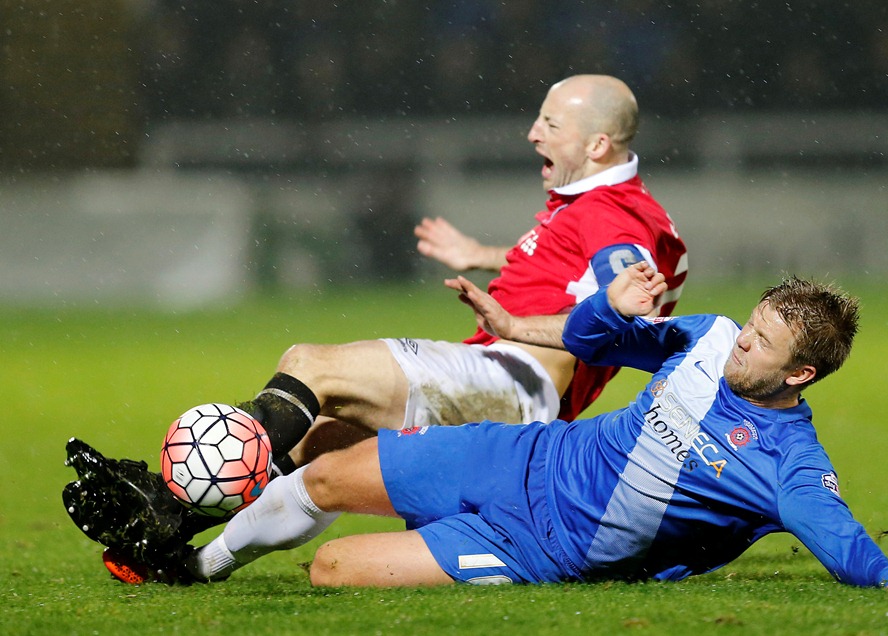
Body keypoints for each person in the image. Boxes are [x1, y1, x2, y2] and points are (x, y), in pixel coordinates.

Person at [63, 73, 687, 568]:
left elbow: (627, 299)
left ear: (598, 144)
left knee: (309, 366)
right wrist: (490, 255)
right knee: (318, 447)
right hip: (519, 398)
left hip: (514, 381)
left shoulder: (611, 215)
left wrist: (518, 323)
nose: (532, 133)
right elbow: (585, 270)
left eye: (549, 123)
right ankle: (186, 560)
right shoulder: (605, 203)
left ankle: (167, 506)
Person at [133, 263, 888, 591]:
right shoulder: (713, 336)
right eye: (752, 322)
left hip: (541, 546)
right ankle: (195, 565)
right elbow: (602, 343)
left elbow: (829, 527)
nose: (743, 341)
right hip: (520, 454)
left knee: (331, 570)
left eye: (763, 343)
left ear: (799, 374)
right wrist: (595, 310)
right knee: (323, 476)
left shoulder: (787, 458)